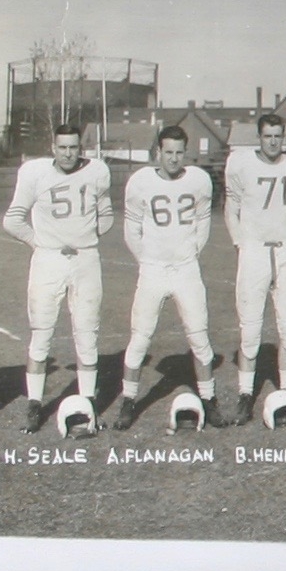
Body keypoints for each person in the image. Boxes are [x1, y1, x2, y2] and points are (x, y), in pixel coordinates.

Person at [3, 123, 114, 432]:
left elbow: (106, 215)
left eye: (74, 148)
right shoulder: (35, 174)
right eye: (62, 147)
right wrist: (41, 242)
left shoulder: (96, 172)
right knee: (41, 334)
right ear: (53, 147)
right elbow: (12, 220)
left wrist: (85, 238)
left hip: (85, 260)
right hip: (48, 261)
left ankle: (89, 403)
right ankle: (34, 404)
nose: (68, 153)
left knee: (87, 334)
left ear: (81, 149)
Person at [112, 127, 222, 429]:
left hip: (186, 269)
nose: (173, 159)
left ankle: (209, 400)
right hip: (153, 270)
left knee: (199, 336)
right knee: (140, 338)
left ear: (184, 153)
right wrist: (149, 260)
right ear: (157, 152)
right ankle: (128, 401)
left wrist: (186, 255)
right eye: (168, 152)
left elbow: (203, 226)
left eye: (178, 153)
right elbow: (131, 231)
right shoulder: (141, 182)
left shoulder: (198, 180)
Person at [223, 113, 286, 424]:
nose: (273, 141)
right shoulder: (242, 163)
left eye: (277, 135)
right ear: (259, 137)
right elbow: (231, 207)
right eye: (267, 136)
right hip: (255, 251)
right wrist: (241, 244)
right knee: (250, 326)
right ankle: (245, 393)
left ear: (283, 136)